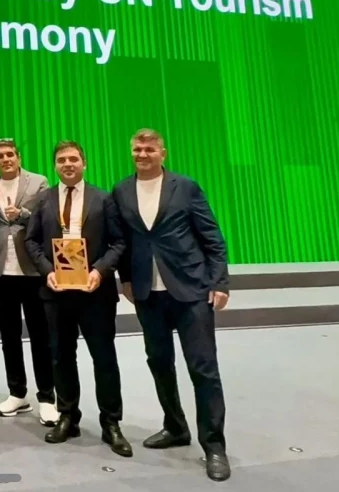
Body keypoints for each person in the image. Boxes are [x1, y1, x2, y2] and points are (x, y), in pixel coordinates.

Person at [114, 129, 231, 482]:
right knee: (159, 363)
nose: (142, 154)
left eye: (149, 149)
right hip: (148, 295)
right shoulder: (121, 190)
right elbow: (123, 240)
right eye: (137, 149)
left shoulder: (186, 187)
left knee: (203, 368)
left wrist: (219, 282)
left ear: (163, 153)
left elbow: (212, 236)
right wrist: (126, 279)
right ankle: (176, 427)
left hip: (191, 290)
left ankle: (214, 446)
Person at [25, 141, 131, 457]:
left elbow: (118, 242)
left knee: (104, 358)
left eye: (73, 159)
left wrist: (100, 271)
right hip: (56, 292)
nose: (68, 164)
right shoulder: (43, 199)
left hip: (95, 292)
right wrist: (47, 271)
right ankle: (68, 416)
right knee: (61, 358)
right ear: (55, 166)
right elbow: (31, 242)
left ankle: (111, 423)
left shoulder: (104, 199)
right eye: (61, 160)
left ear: (84, 163)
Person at [0, 138, 56, 424]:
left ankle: (47, 397)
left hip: (33, 270)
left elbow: (48, 216)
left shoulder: (38, 182)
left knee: (40, 337)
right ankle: (17, 393)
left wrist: (22, 214)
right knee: (9, 337)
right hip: (1, 271)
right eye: (0, 156)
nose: (6, 159)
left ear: (18, 157)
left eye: (10, 154)